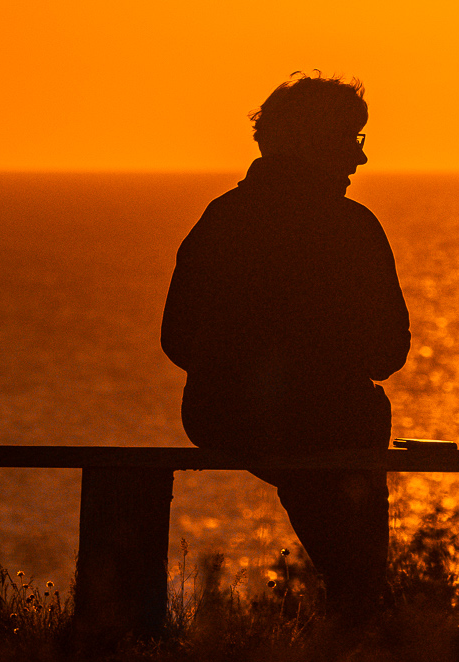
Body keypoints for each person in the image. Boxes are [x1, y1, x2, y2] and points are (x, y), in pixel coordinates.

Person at [160, 73, 410, 617]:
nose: (360, 159)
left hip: (222, 415)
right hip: (331, 421)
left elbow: (176, 339)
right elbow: (389, 352)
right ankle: (363, 606)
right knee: (337, 447)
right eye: (352, 139)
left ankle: (361, 600)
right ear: (313, 141)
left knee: (317, 461)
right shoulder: (351, 227)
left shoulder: (221, 218)